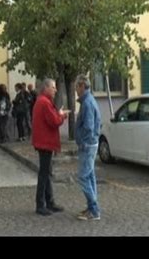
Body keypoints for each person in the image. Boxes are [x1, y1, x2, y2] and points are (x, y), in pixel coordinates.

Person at [31, 78, 69, 216]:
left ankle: (49, 202)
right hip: (45, 142)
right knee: (44, 174)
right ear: (46, 88)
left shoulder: (42, 101)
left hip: (43, 142)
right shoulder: (44, 102)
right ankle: (41, 204)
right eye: (53, 87)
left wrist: (58, 115)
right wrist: (62, 116)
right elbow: (53, 121)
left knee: (46, 174)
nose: (55, 89)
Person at [74, 74, 102, 221]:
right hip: (90, 143)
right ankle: (92, 207)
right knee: (90, 176)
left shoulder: (87, 103)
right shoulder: (88, 101)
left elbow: (89, 127)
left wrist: (82, 141)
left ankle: (94, 209)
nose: (75, 90)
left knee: (84, 177)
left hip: (88, 144)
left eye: (76, 87)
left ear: (82, 86)